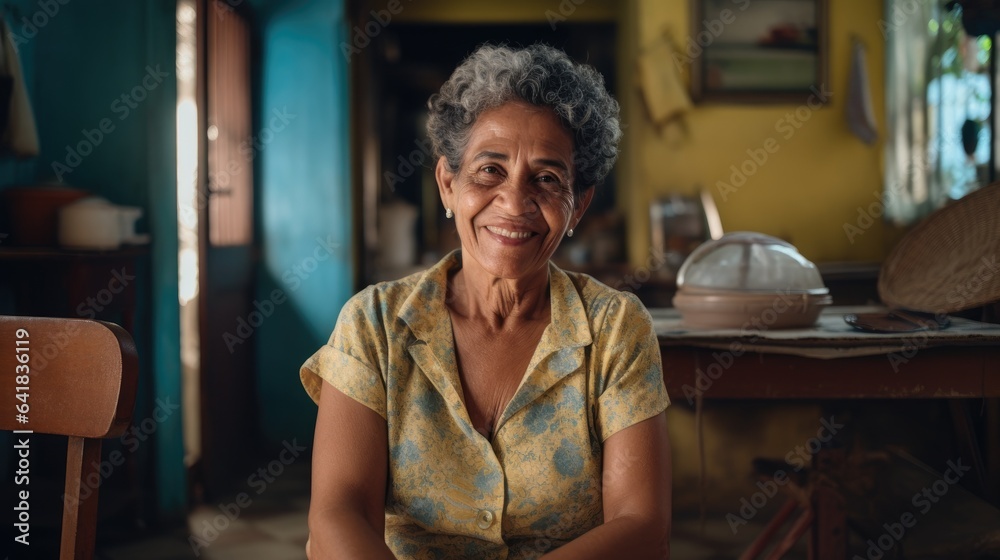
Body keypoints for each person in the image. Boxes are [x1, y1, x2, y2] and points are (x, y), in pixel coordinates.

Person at [301, 43, 672, 559]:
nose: (515, 204)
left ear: (578, 204)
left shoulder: (614, 330)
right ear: (448, 184)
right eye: (489, 171)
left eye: (547, 179)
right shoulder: (374, 325)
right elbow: (338, 513)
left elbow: (641, 525)